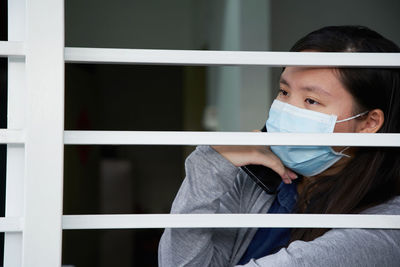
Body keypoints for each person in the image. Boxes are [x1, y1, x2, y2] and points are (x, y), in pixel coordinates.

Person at [158, 25, 400, 266]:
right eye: (284, 92)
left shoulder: (385, 225)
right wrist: (210, 162)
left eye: (311, 100)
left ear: (369, 123)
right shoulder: (256, 180)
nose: (288, 110)